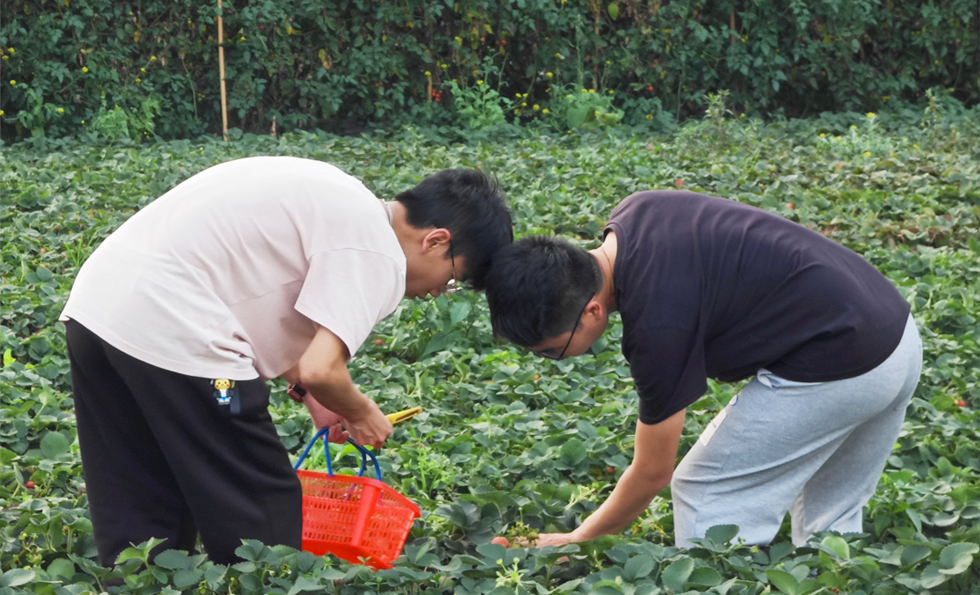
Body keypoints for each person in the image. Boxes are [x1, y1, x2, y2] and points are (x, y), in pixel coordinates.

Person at [60, 156, 512, 566]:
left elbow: (286, 321)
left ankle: (136, 580)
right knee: (260, 497)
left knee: (138, 489)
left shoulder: (337, 195)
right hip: (182, 335)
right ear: (436, 241)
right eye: (452, 281)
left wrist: (316, 396)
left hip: (97, 313)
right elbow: (323, 368)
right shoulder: (376, 250)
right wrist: (360, 412)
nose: (436, 294)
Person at [484, 189, 921, 548]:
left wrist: (578, 539)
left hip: (844, 365)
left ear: (594, 310)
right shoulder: (636, 212)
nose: (550, 361)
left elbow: (653, 471)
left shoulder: (657, 326)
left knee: (706, 494)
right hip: (897, 335)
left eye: (551, 352)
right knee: (831, 521)